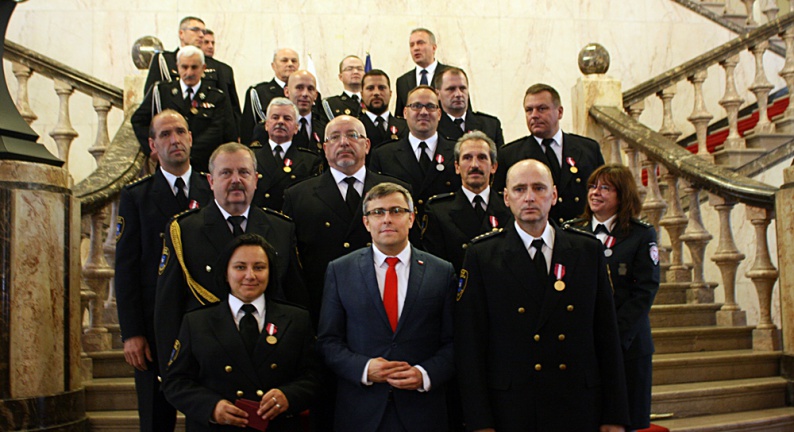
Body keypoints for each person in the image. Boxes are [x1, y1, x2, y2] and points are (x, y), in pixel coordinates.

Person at [455, 159, 629, 431]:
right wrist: (479, 422)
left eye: (538, 188)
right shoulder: (483, 255)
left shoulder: (587, 251)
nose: (529, 197)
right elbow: (471, 345)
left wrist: (614, 415)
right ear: (506, 198)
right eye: (519, 189)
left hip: (577, 403)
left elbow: (607, 335)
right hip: (513, 407)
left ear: (554, 195)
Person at [155, 142, 307, 374]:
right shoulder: (185, 230)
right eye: (226, 173)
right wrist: (171, 371)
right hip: (208, 362)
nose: (236, 180)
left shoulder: (281, 228)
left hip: (270, 357)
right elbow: (168, 307)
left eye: (244, 172)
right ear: (210, 181)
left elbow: (294, 298)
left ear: (256, 180)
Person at [317, 182, 456, 432]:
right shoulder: (340, 270)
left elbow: (455, 342)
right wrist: (364, 369)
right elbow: (328, 341)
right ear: (366, 222)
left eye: (396, 211)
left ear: (411, 219)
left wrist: (425, 374)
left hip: (422, 412)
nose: (387, 219)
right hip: (360, 414)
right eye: (378, 212)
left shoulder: (441, 271)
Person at [162, 234, 322, 432]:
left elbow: (314, 376)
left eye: (259, 267)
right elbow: (175, 382)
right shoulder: (196, 322)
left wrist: (289, 396)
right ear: (225, 273)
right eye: (240, 267)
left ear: (271, 272)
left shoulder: (297, 319)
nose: (250, 276)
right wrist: (212, 407)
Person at [116, 110, 214, 432]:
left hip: (204, 320)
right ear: (153, 145)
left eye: (180, 132)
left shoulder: (212, 189)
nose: (175, 140)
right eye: (165, 134)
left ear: (191, 138)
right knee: (156, 418)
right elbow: (126, 270)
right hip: (154, 324)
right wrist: (132, 333)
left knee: (208, 416)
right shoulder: (137, 196)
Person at [282, 115, 411, 326]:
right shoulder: (298, 196)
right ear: (325, 148)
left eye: (352, 135)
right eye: (334, 137)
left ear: (367, 145)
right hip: (323, 306)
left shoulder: (396, 191)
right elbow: (293, 268)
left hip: (385, 302)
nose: (343, 142)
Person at [566, 164, 660, 431]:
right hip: (584, 344)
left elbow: (644, 291)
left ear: (623, 195)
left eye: (605, 188)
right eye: (592, 187)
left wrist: (612, 335)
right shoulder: (572, 232)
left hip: (627, 345)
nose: (595, 193)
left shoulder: (641, 235)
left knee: (623, 420)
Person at [493, 83, 604, 225]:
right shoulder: (509, 154)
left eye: (542, 109)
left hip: (581, 230)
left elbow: (603, 192)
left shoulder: (588, 149)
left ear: (560, 112)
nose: (534, 115)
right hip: (535, 231)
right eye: (529, 110)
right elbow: (500, 203)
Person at [132, 45, 238, 173]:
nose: (189, 73)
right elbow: (138, 120)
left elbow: (219, 131)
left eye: (194, 67)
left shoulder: (216, 97)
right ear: (177, 67)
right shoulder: (161, 92)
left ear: (203, 68)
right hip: (169, 166)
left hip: (204, 166)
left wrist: (186, 152)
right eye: (184, 67)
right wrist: (153, 149)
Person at [422, 131, 512, 274]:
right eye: (467, 158)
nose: (474, 165)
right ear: (457, 167)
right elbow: (435, 267)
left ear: (494, 166)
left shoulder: (510, 206)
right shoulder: (438, 211)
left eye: (482, 157)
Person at [370, 85, 460, 221]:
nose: (423, 112)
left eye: (430, 106)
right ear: (405, 113)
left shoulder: (458, 152)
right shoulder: (383, 155)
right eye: (416, 106)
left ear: (439, 114)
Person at [143, 17, 240, 124]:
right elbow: (152, 99)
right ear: (181, 33)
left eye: (203, 32)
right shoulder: (164, 60)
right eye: (195, 30)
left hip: (205, 126)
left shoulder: (214, 65)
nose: (201, 35)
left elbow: (227, 107)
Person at [251, 98, 322, 211]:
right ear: (266, 125)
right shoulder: (250, 156)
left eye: (287, 118)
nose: (280, 122)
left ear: (296, 128)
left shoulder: (310, 161)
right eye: (275, 117)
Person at [240, 49, 323, 145]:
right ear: (273, 65)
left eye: (294, 61)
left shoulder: (313, 95)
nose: (290, 64)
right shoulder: (260, 92)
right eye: (284, 60)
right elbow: (248, 128)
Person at [252, 70, 326, 155]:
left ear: (316, 95)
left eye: (310, 89)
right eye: (299, 88)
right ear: (287, 92)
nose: (305, 94)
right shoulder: (267, 128)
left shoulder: (324, 127)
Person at [433, 67, 503, 147]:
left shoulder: (490, 125)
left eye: (462, 88)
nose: (458, 94)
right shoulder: (433, 127)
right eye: (451, 89)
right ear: (437, 94)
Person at [395, 28, 448, 116]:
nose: (415, 48)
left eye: (420, 43)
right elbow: (400, 117)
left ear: (434, 47)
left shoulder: (450, 76)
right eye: (412, 45)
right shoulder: (402, 81)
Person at [358, 69, 408, 156]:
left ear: (390, 93)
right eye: (370, 88)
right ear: (362, 94)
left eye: (382, 88)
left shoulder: (406, 126)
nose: (376, 93)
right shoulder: (356, 127)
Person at [200, 29, 241, 127]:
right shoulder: (194, 69)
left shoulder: (226, 69)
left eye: (213, 43)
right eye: (206, 42)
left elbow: (234, 104)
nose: (210, 46)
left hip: (226, 121)